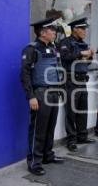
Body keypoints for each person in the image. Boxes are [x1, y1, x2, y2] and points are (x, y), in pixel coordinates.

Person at [21, 18, 65, 176]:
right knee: (38, 129)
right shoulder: (31, 49)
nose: (54, 32)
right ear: (42, 32)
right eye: (51, 30)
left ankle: (47, 155)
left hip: (54, 92)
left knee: (50, 127)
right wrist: (30, 96)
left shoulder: (53, 48)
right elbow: (24, 74)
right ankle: (34, 162)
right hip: (40, 93)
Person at [59, 17, 95, 152]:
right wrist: (81, 54)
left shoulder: (83, 43)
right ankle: (71, 140)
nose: (85, 31)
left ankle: (82, 136)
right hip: (70, 80)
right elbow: (65, 57)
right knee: (71, 111)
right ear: (75, 29)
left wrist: (90, 56)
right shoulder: (65, 42)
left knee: (82, 109)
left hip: (82, 80)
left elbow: (87, 63)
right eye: (83, 29)